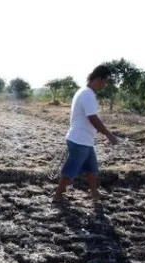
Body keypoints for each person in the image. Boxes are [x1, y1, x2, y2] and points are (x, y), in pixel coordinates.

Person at [54, 65, 119, 202]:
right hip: (79, 140)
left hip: (84, 139)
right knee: (71, 167)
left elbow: (90, 118)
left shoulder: (83, 92)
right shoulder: (87, 95)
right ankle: (58, 194)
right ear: (98, 79)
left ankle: (94, 192)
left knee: (92, 167)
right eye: (105, 81)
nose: (104, 85)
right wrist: (108, 134)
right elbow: (92, 117)